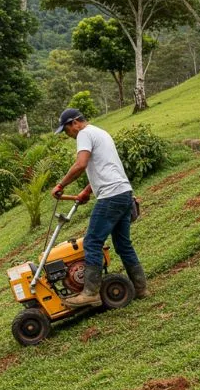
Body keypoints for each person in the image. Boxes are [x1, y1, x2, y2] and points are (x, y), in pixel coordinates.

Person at [51, 108, 149, 307]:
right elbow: (105, 166)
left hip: (110, 196)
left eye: (67, 130)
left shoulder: (84, 134)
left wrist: (61, 185)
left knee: (92, 242)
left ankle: (90, 292)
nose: (68, 135)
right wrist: (87, 190)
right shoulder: (100, 132)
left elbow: (81, 164)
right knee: (123, 245)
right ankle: (141, 288)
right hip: (124, 193)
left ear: (74, 123)